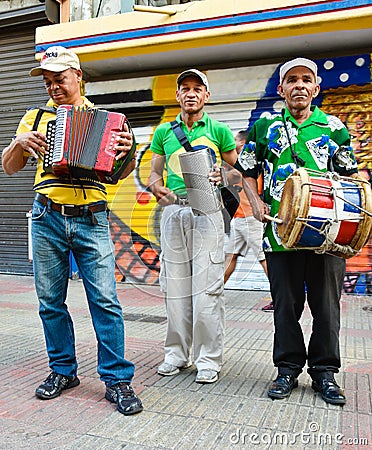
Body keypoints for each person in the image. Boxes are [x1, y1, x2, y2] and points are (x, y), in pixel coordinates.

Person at [1, 46, 143, 416]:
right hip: (46, 214)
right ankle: (63, 371)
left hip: (92, 216)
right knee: (50, 302)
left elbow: (120, 172)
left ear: (78, 76)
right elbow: (10, 167)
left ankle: (116, 379)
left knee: (106, 301)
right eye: (47, 82)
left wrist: (129, 152)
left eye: (59, 79)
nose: (53, 87)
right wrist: (17, 143)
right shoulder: (35, 117)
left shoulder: (107, 120)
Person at [234, 57, 358, 405]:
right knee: (286, 306)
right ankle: (287, 368)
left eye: (306, 80)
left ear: (316, 88)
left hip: (327, 237)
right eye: (292, 80)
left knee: (327, 307)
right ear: (282, 88)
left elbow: (350, 177)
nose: (299, 85)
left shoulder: (333, 127)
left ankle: (325, 373)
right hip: (280, 235)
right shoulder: (265, 126)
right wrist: (256, 204)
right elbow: (247, 169)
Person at [149, 69, 237, 384]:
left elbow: (236, 173)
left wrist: (221, 175)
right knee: (174, 289)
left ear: (206, 95)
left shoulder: (220, 130)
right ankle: (176, 354)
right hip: (174, 212)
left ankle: (208, 359)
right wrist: (156, 188)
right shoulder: (163, 132)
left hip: (208, 210)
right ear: (177, 95)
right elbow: (153, 173)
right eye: (184, 88)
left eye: (197, 88)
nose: (190, 93)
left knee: (207, 289)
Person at [223, 130, 273, 312]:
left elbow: (228, 178)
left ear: (243, 144)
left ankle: (278, 296)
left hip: (251, 218)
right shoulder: (240, 165)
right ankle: (215, 293)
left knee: (263, 258)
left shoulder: (245, 167)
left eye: (236, 141)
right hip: (240, 219)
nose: (233, 144)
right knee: (231, 256)